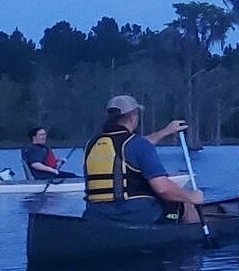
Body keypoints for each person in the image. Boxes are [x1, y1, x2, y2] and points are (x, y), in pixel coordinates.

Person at [82, 95, 202, 224]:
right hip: (137, 214)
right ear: (133, 118)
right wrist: (192, 197)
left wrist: (165, 131)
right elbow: (163, 189)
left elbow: (133, 147)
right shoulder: (138, 145)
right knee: (187, 207)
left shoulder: (92, 144)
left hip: (96, 215)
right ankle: (190, 241)